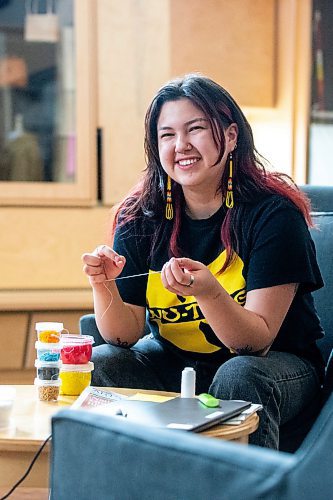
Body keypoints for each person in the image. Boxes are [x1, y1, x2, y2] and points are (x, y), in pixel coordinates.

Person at [82, 73, 325, 449]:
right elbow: (123, 335)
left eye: (195, 129)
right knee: (100, 363)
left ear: (229, 136)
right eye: (167, 135)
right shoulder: (139, 216)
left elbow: (255, 343)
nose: (181, 146)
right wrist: (103, 283)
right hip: (175, 361)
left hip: (274, 365)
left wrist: (210, 292)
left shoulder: (273, 214)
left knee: (239, 375)